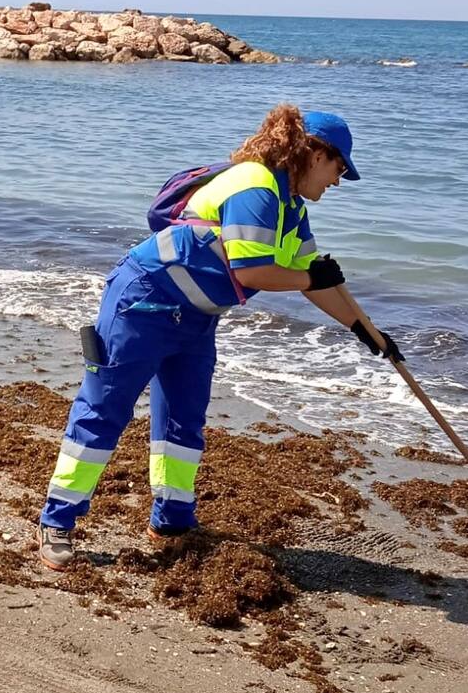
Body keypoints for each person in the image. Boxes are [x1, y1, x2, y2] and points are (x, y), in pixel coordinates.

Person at [36, 104, 403, 571]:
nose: (337, 181)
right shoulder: (255, 185)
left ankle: (171, 522)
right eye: (338, 167)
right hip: (142, 305)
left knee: (183, 422)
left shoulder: (290, 207)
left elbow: (319, 279)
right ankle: (58, 521)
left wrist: (366, 331)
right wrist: (311, 278)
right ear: (313, 152)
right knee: (104, 411)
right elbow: (257, 270)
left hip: (195, 318)